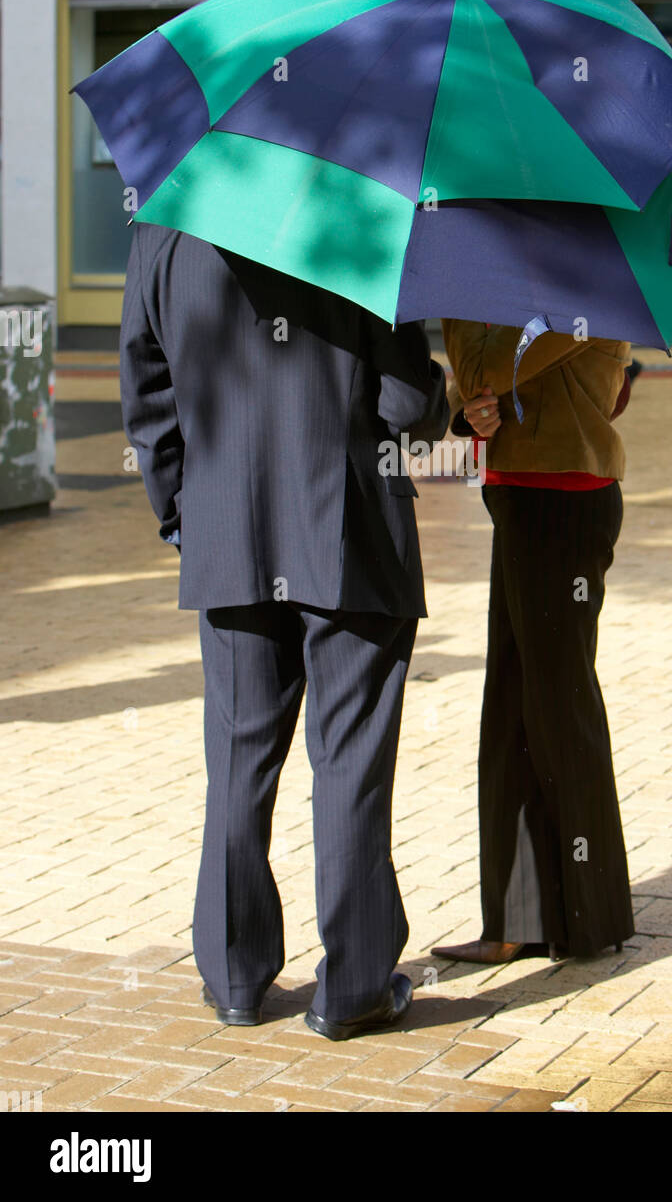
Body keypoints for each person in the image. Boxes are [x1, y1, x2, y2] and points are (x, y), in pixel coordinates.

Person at [119, 224, 447, 1038]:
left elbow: (146, 396)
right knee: (351, 764)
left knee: (237, 756)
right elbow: (405, 403)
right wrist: (441, 396)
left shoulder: (163, 229)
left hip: (228, 532)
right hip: (350, 537)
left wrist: (183, 518)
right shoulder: (357, 215)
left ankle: (234, 977)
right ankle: (354, 987)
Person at [432, 321, 635, 964]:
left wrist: (464, 317)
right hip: (518, 494)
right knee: (513, 709)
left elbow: (484, 371)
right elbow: (475, 393)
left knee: (560, 705)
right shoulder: (517, 286)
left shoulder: (579, 275)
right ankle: (520, 917)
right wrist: (469, 417)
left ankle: (589, 916)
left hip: (564, 498)